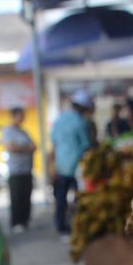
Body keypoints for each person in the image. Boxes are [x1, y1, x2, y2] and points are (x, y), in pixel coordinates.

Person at [48, 90, 94, 236]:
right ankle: (80, 225)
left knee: (61, 198)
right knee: (80, 198)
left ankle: (61, 227)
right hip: (77, 166)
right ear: (84, 108)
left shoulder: (59, 119)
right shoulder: (81, 122)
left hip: (60, 165)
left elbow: (54, 143)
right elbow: (86, 145)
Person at [1, 106, 35, 233]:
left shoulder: (23, 132)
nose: (22, 118)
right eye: (20, 115)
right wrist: (26, 148)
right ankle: (17, 222)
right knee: (16, 197)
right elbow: (11, 147)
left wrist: (23, 147)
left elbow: (34, 146)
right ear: (14, 116)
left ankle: (25, 221)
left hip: (27, 170)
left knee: (26, 196)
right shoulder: (8, 131)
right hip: (15, 171)